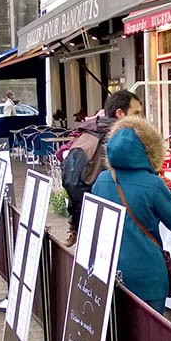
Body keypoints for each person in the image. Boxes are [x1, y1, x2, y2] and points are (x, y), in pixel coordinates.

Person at [90, 116, 171, 313]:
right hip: (147, 274)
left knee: (120, 334)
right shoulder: (153, 184)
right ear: (149, 150)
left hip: (110, 268)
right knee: (149, 337)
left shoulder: (102, 179)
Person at [62, 90, 142, 246]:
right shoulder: (119, 137)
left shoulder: (89, 131)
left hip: (85, 208)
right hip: (109, 211)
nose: (140, 118)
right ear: (120, 113)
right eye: (136, 113)